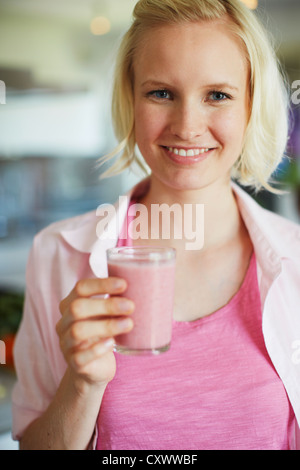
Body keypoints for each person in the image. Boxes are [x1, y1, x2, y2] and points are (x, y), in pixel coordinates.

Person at [12, 0, 300, 450]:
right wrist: (82, 385)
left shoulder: (296, 260)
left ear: (251, 105)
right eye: (161, 93)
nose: (187, 127)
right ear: (130, 98)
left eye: (218, 95)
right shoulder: (56, 254)